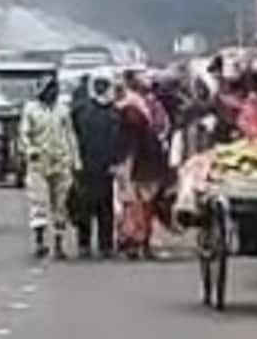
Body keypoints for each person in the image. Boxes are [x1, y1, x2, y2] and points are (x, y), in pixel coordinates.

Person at [20, 74, 79, 259]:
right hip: (39, 162)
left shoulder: (63, 110)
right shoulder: (31, 110)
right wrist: (30, 150)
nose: (52, 92)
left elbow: (70, 135)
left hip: (61, 161)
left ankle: (59, 244)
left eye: (55, 89)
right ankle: (39, 242)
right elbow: (24, 134)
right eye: (49, 89)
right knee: (39, 202)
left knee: (60, 204)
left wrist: (76, 160)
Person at [115, 74, 170, 259]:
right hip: (141, 169)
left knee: (138, 206)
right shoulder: (136, 114)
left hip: (143, 168)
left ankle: (137, 241)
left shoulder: (132, 115)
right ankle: (137, 241)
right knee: (138, 206)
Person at [69, 73, 124, 258]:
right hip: (85, 165)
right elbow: (73, 137)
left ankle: (105, 245)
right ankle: (85, 244)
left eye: (104, 86)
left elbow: (118, 141)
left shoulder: (115, 113)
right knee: (86, 207)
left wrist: (116, 162)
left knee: (105, 208)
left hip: (104, 167)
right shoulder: (81, 111)